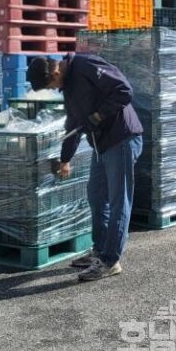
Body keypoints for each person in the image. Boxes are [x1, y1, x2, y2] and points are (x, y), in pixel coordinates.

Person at [27, 53, 144, 282]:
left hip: (121, 139)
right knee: (97, 197)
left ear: (56, 72)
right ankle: (100, 250)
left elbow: (124, 91)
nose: (54, 89)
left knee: (118, 201)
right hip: (101, 145)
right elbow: (73, 124)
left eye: (51, 85)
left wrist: (98, 116)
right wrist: (65, 159)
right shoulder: (68, 87)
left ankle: (110, 261)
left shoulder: (85, 65)